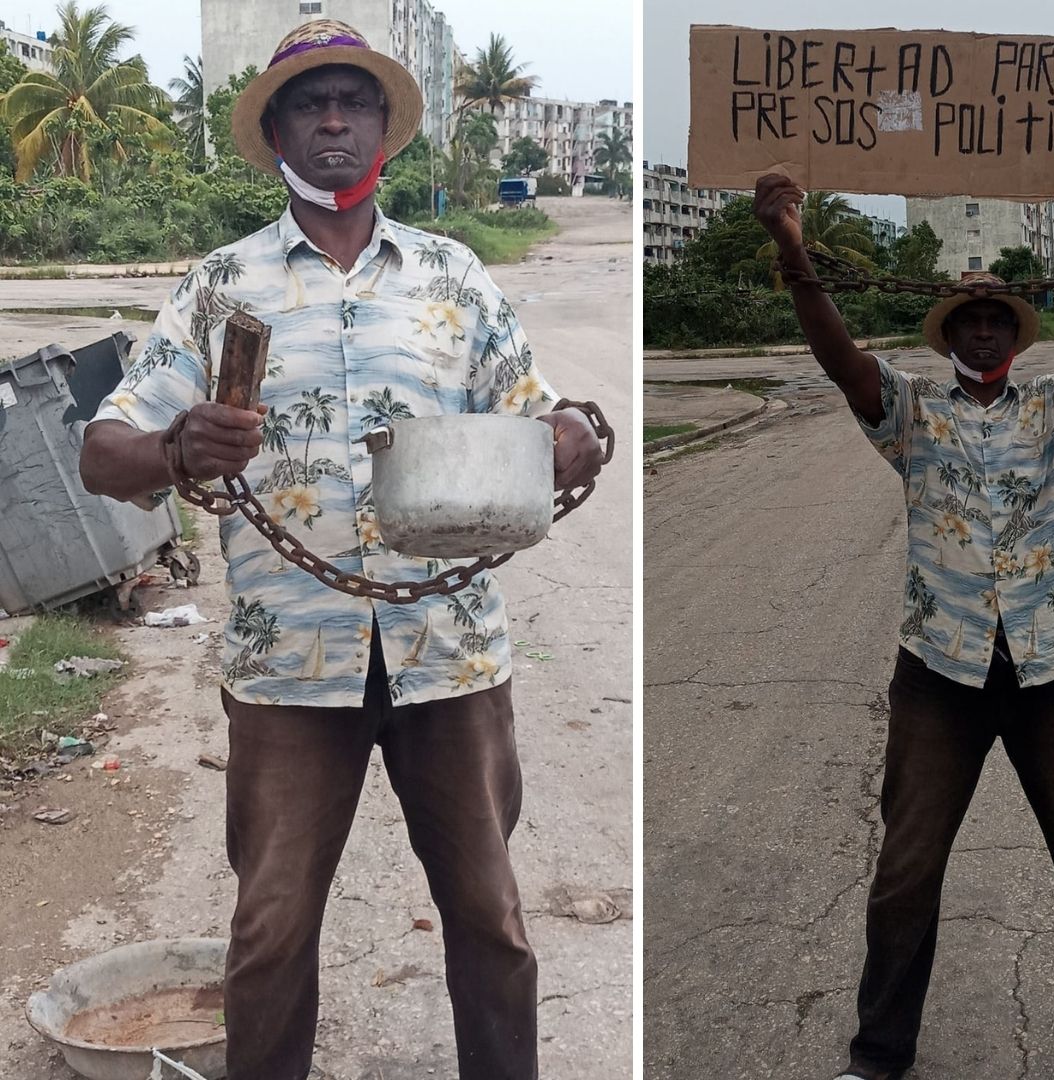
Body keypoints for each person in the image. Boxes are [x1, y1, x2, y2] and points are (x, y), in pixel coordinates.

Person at [80, 20, 603, 1080]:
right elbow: (102, 453)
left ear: (382, 129)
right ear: (275, 130)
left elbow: (542, 416)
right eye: (308, 103)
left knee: (492, 925)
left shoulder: (455, 279)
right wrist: (178, 448)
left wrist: (577, 434)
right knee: (270, 938)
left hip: (448, 658)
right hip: (287, 671)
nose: (331, 119)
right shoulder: (222, 287)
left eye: (351, 102)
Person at [753, 172, 1054, 1080]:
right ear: (947, 335)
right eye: (968, 322)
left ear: (1014, 339)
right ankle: (878, 1053)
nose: (983, 331)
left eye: (997, 322)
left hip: (1048, 668)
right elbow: (839, 360)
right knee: (906, 870)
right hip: (939, 670)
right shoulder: (910, 415)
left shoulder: (1052, 410)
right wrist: (795, 251)